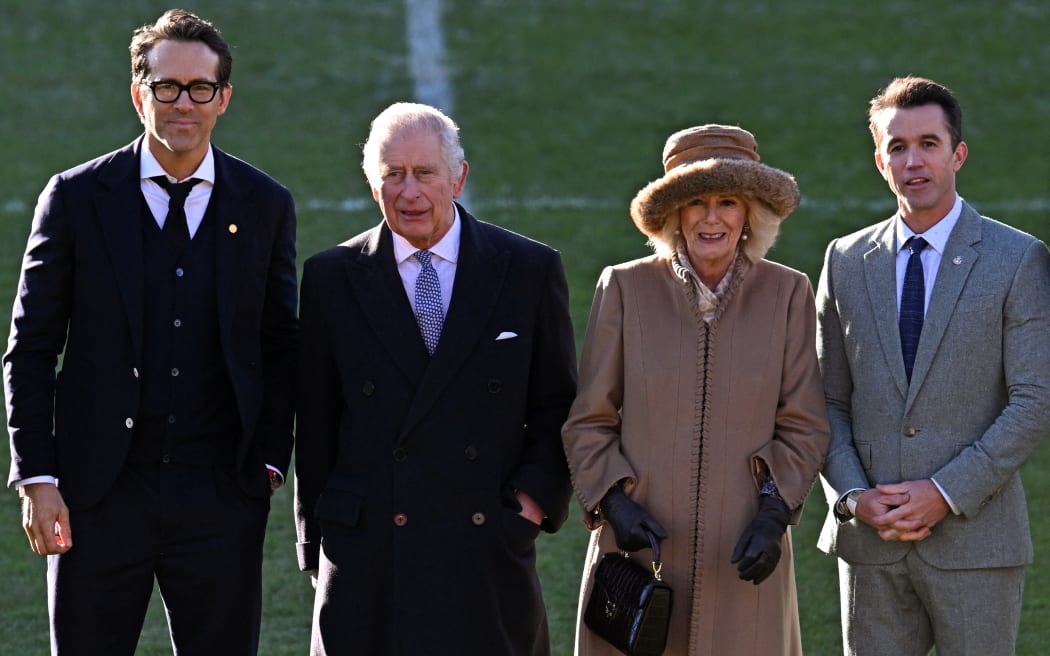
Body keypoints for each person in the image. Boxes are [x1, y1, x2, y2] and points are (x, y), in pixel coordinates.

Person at [3, 9, 298, 655]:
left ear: (223, 98)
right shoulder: (76, 197)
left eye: (199, 88)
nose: (182, 102)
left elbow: (280, 344)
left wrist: (269, 464)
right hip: (98, 497)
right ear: (139, 94)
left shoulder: (265, 203)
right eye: (166, 86)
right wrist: (39, 477)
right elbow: (31, 346)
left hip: (220, 495)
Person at [293, 101, 577, 656]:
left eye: (424, 173)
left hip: (484, 547)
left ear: (459, 178)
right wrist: (316, 543)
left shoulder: (527, 270)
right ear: (373, 185)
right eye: (392, 175)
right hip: (368, 554)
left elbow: (557, 406)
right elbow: (317, 421)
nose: (409, 192)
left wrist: (528, 508)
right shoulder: (330, 277)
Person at [562, 124, 830, 655]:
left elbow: (804, 423)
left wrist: (774, 514)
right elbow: (589, 420)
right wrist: (615, 503)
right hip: (639, 555)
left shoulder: (788, 293)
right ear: (674, 215)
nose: (711, 218)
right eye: (695, 202)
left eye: (727, 201)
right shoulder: (623, 288)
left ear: (749, 212)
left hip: (744, 554)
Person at [816, 75, 1050, 655]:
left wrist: (944, 492)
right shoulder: (844, 259)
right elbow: (823, 398)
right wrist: (851, 497)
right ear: (880, 160)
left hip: (977, 544)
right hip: (870, 545)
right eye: (898, 146)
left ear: (958, 153)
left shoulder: (1018, 258)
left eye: (928, 143)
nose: (913, 160)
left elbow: (1036, 399)